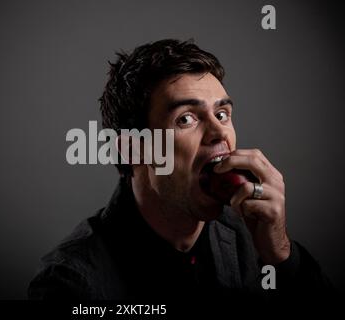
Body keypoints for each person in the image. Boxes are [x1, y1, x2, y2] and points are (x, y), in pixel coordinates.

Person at [28, 39, 333, 304]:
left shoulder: (251, 236)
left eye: (222, 114)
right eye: (186, 119)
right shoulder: (71, 282)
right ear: (134, 149)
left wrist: (281, 254)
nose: (219, 133)